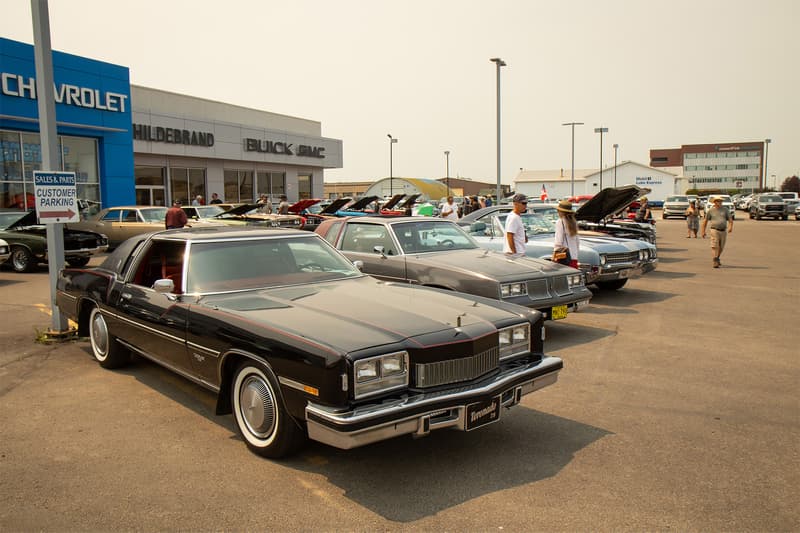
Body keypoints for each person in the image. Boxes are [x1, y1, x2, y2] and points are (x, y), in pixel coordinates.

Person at [701, 195, 734, 268]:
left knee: (721, 247)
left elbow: (730, 220)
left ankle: (717, 258)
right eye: (718, 201)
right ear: (714, 202)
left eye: (720, 201)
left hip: (723, 231)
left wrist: (730, 227)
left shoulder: (725, 210)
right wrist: (703, 231)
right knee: (715, 246)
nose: (720, 202)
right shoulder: (711, 210)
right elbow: (705, 221)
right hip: (714, 230)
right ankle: (715, 260)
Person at [554, 199, 580, 268]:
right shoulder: (574, 222)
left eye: (558, 210)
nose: (557, 212)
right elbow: (577, 242)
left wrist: (555, 253)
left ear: (561, 212)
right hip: (574, 257)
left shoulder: (560, 222)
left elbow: (558, 241)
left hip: (564, 257)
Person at [503, 193, 528, 258]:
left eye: (526, 203)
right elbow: (509, 235)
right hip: (515, 253)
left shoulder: (516, 216)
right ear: (515, 203)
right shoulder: (514, 217)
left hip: (518, 252)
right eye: (523, 203)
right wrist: (514, 254)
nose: (525, 206)